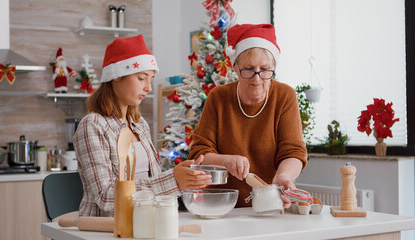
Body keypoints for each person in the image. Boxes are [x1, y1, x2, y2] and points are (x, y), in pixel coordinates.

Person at [73, 35, 211, 217]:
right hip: (106, 229)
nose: (149, 88)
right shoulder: (92, 125)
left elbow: (150, 182)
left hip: (144, 222)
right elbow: (106, 197)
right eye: (141, 78)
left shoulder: (139, 125)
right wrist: (173, 180)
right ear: (116, 76)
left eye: (151, 79)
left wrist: (186, 177)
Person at [188, 24, 307, 208]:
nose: (257, 78)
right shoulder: (218, 97)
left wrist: (283, 176)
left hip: (268, 204)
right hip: (221, 205)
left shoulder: (284, 96)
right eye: (249, 69)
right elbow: (199, 153)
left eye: (265, 69)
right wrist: (226, 161)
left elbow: (293, 151)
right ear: (235, 67)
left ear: (273, 66)